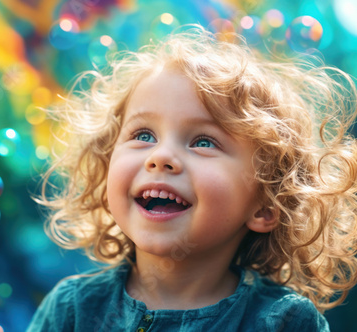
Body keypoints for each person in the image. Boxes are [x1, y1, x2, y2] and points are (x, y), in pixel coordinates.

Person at [27, 25, 357, 331]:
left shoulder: (284, 322)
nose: (161, 157)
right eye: (143, 135)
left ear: (266, 206)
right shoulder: (73, 310)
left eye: (203, 142)